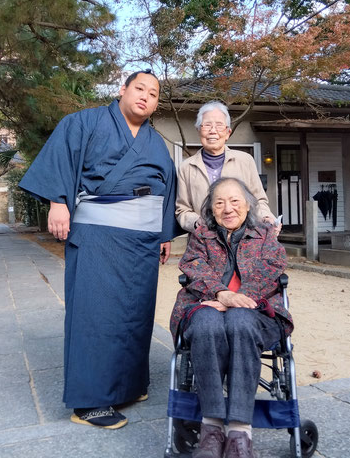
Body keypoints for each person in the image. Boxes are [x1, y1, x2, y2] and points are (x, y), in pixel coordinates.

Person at [19, 70, 180, 430]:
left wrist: (165, 234)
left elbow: (167, 188)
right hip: (98, 234)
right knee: (96, 313)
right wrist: (58, 202)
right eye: (140, 89)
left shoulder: (156, 142)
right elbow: (60, 162)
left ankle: (127, 385)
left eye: (153, 94)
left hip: (142, 240)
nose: (145, 97)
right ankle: (90, 402)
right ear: (122, 89)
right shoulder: (83, 122)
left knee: (135, 313)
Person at [170, 177, 293, 458]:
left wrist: (240, 299)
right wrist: (221, 294)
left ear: (247, 205)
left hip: (257, 312)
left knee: (240, 321)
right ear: (211, 210)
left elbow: (273, 267)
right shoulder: (201, 236)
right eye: (219, 203)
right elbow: (192, 266)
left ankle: (239, 431)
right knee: (207, 323)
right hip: (205, 307)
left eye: (235, 201)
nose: (228, 208)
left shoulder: (264, 236)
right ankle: (211, 429)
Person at [176, 101, 277, 233]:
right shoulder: (186, 167)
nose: (213, 131)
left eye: (219, 125)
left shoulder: (245, 161)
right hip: (204, 240)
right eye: (207, 125)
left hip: (243, 237)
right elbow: (182, 210)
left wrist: (266, 217)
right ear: (199, 130)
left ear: (228, 132)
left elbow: (258, 201)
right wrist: (197, 222)